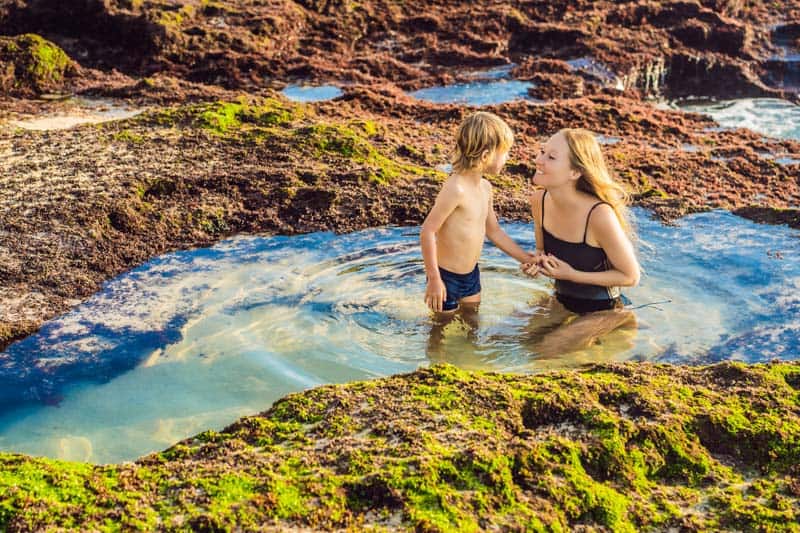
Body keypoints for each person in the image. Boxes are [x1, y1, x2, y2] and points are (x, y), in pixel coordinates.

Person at [420, 111, 536, 355]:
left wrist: (528, 258)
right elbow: (428, 230)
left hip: (471, 275)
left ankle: (470, 363)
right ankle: (434, 366)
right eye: (504, 153)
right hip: (446, 277)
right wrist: (433, 278)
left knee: (472, 324)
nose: (507, 159)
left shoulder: (485, 187)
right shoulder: (456, 188)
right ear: (485, 155)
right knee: (440, 328)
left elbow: (494, 232)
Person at [521, 128, 640, 356]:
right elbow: (541, 253)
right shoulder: (540, 200)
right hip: (561, 299)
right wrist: (536, 264)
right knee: (509, 339)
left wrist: (571, 275)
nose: (539, 160)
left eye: (551, 157)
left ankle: (620, 328)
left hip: (604, 310)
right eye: (542, 152)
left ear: (575, 172)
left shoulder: (599, 215)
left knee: (544, 352)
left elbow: (631, 276)